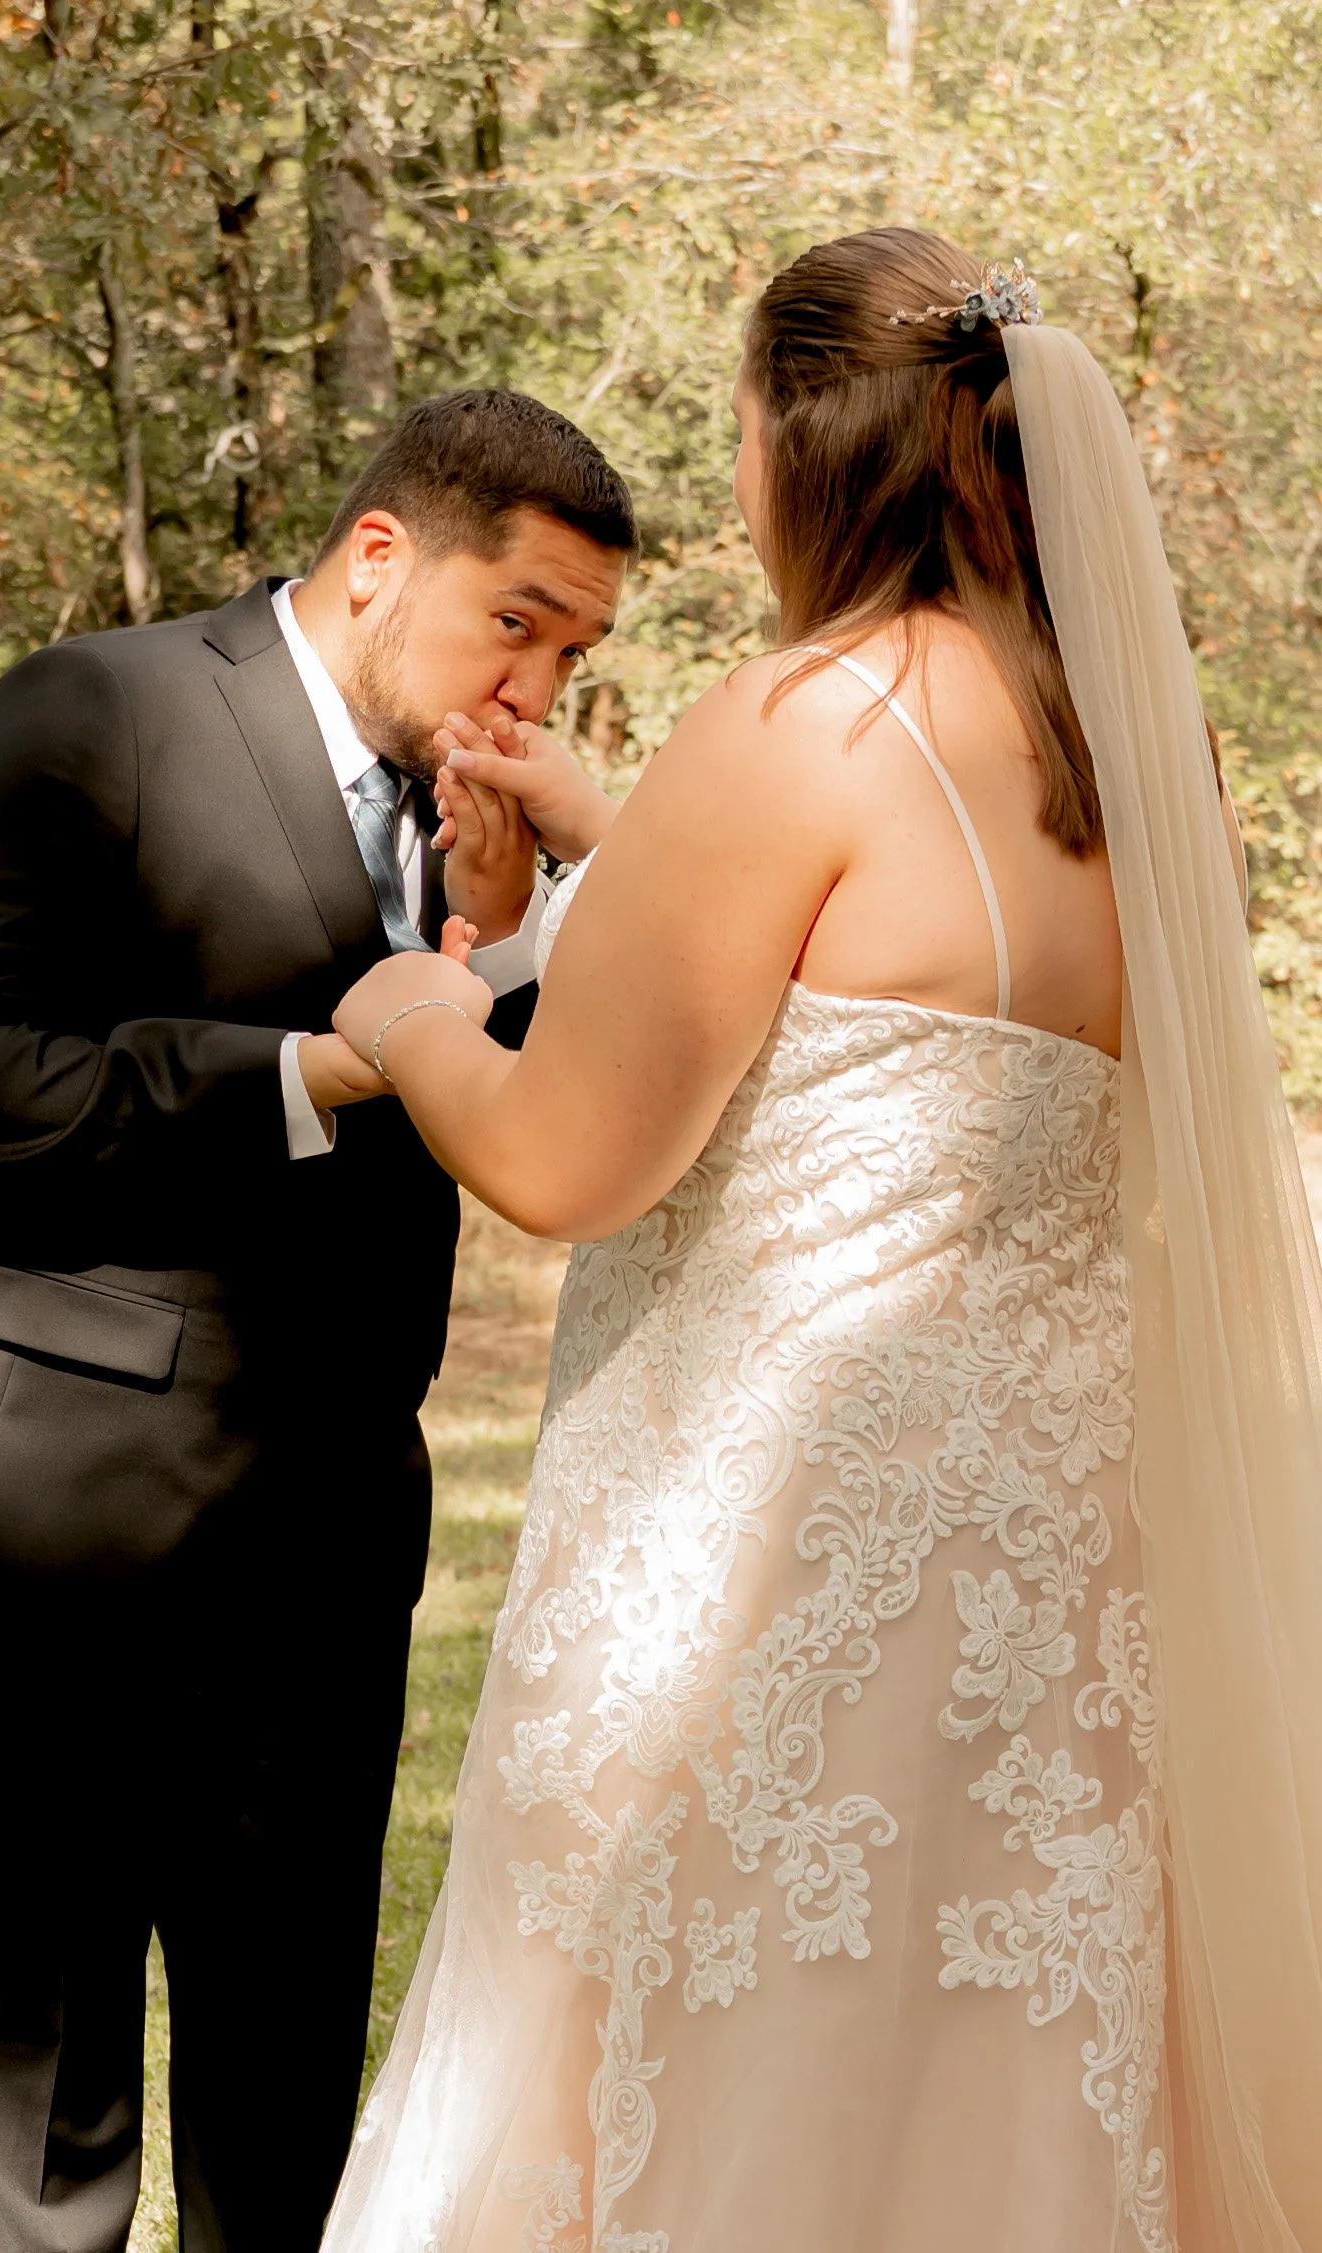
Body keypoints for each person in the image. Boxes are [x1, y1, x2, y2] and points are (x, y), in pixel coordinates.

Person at [322, 231, 1322, 2250]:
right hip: (1046, 1563)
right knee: (992, 2061)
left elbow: (569, 1157)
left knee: (748, 2054)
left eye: (746, 428)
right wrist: (618, 831)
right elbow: (896, 981)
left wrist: (411, 1017)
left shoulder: (800, 723)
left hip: (786, 1568)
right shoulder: (1138, 751)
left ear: (805, 444)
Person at [0, 390, 634, 2251]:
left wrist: (495, 953)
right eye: (522, 622)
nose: (544, 686)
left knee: (282, 2113)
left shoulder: (464, 812)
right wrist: (291, 1072)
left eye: (577, 652)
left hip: (327, 1532)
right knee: (41, 2125)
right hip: (57, 1515)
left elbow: (469, 1101)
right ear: (376, 558)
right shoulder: (89, 711)